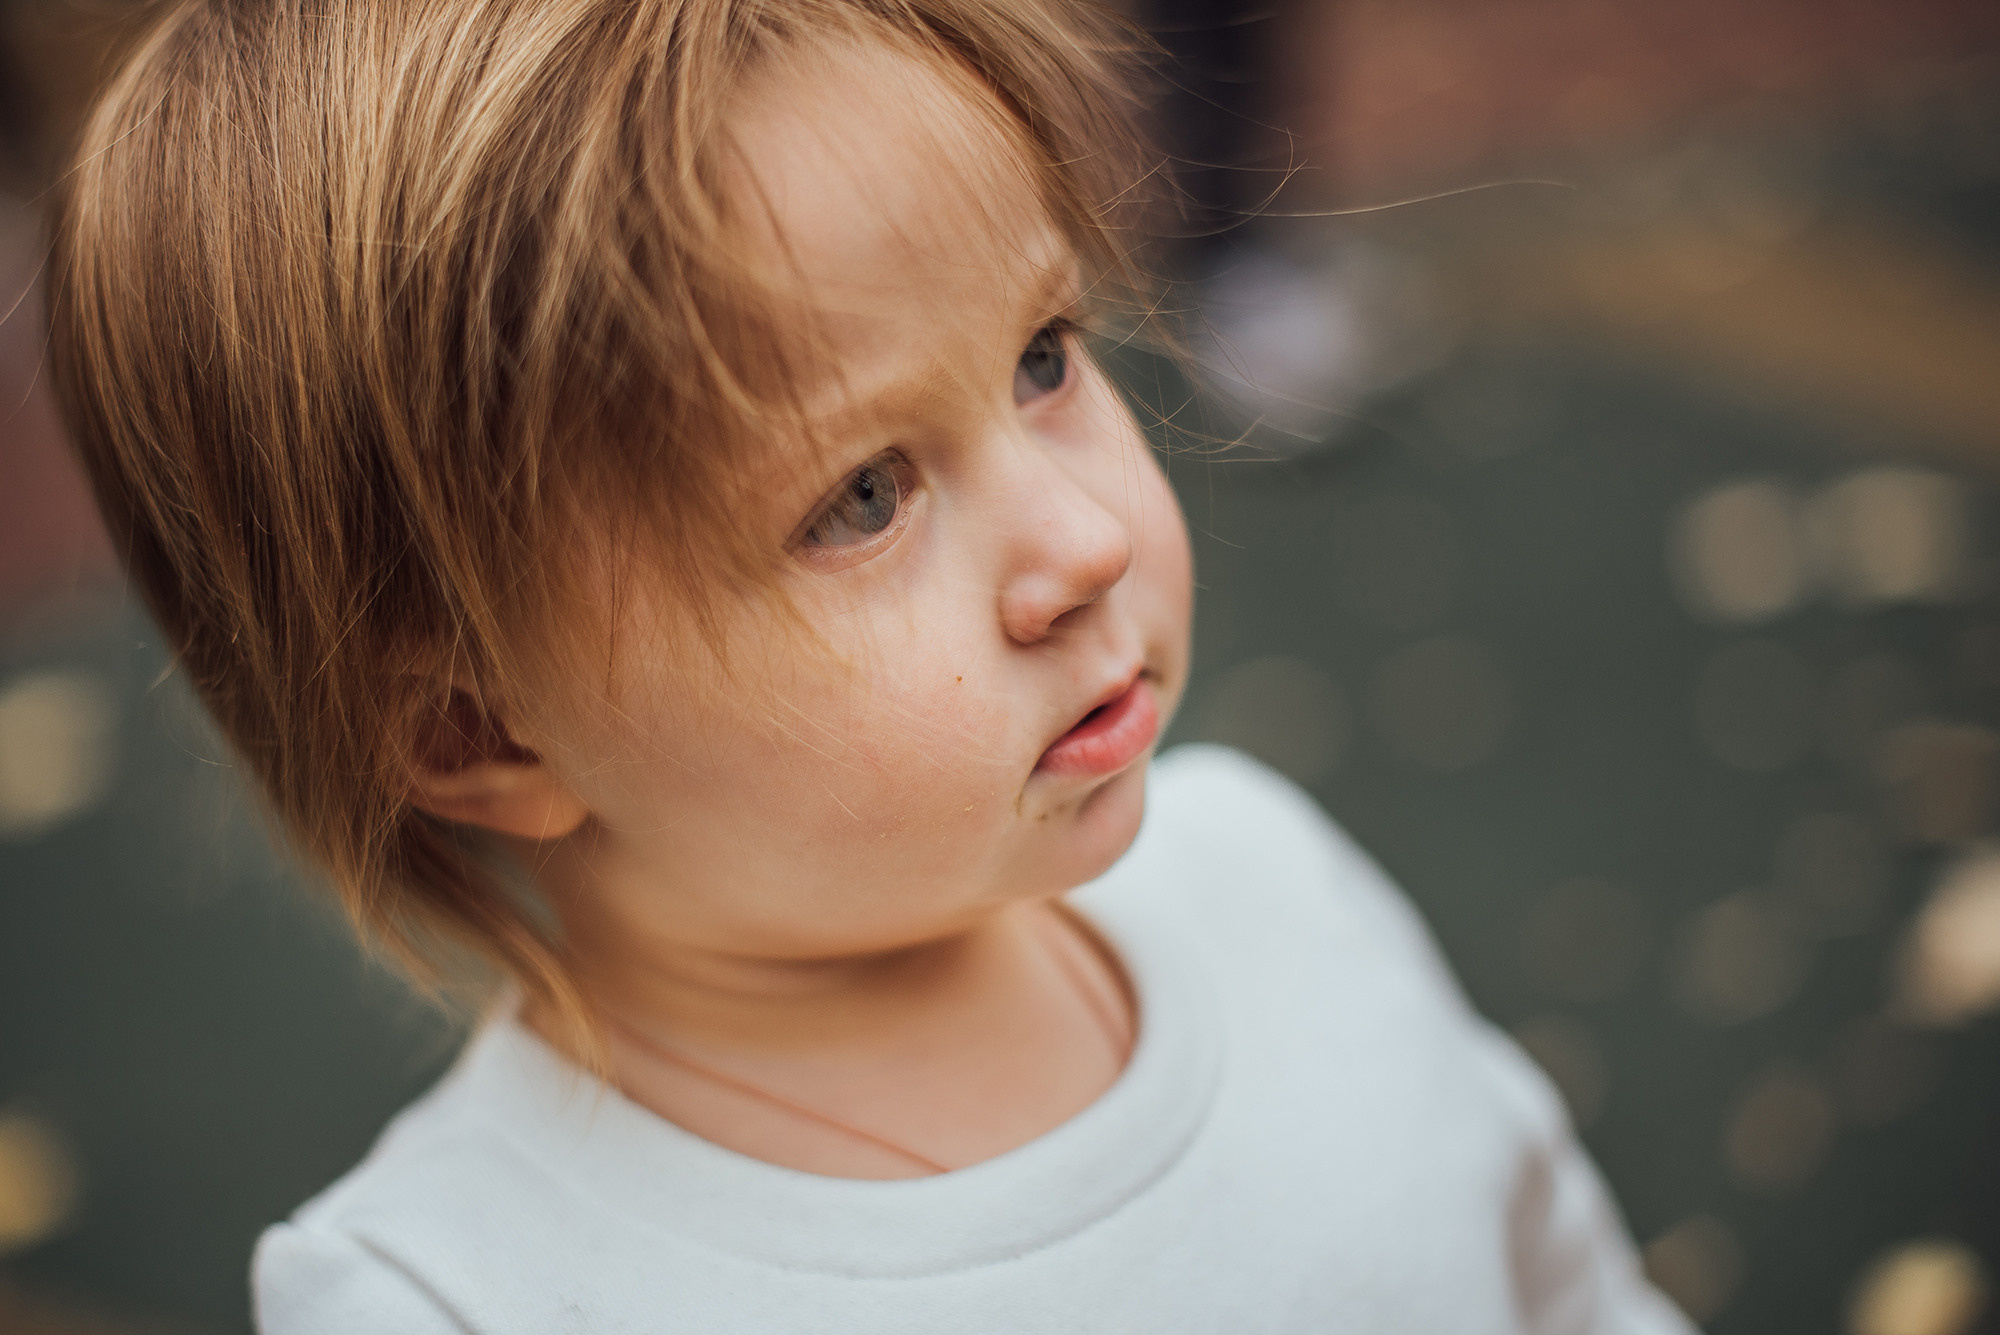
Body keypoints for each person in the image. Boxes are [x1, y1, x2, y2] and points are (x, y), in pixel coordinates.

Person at [45, 1, 1693, 1330]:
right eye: (860, 498)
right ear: (484, 725)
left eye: (1046, 355)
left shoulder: (1265, 877)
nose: (1087, 543)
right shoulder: (444, 1296)